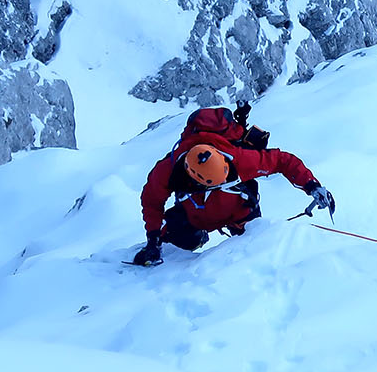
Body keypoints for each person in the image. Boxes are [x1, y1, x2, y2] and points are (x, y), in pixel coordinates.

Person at [131, 105, 334, 266]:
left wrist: (311, 185)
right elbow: (151, 201)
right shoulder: (168, 170)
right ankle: (197, 237)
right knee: (185, 240)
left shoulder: (239, 158)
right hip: (200, 215)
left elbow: (282, 161)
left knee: (253, 248)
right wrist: (153, 238)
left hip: (235, 212)